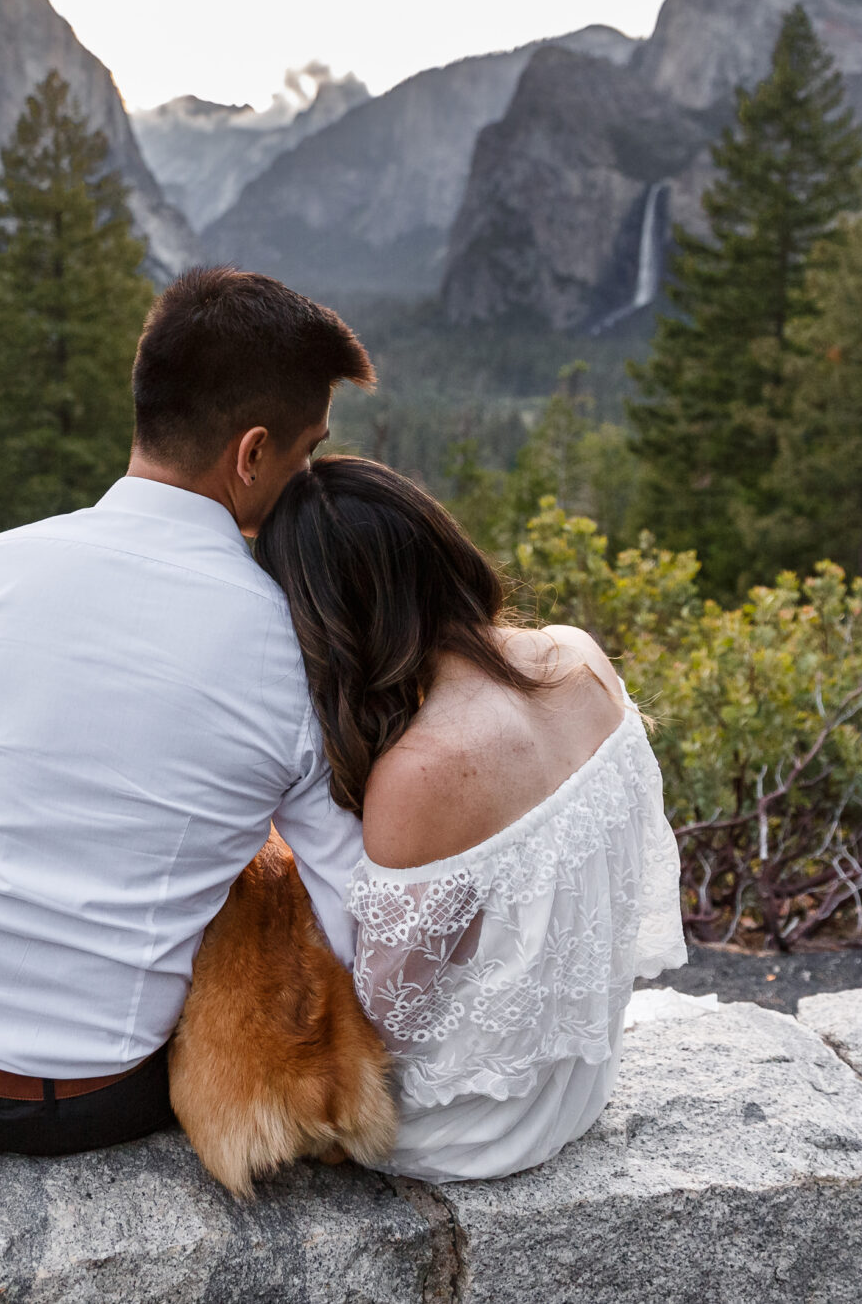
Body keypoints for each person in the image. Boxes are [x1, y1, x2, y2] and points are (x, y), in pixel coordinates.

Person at [0, 267, 377, 1156]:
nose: (308, 479)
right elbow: (351, 914)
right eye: (306, 453)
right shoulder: (292, 651)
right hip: (88, 1097)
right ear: (251, 453)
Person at [252, 455, 686, 1183]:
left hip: (475, 1125)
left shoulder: (420, 770)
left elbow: (387, 1020)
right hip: (578, 1074)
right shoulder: (580, 657)